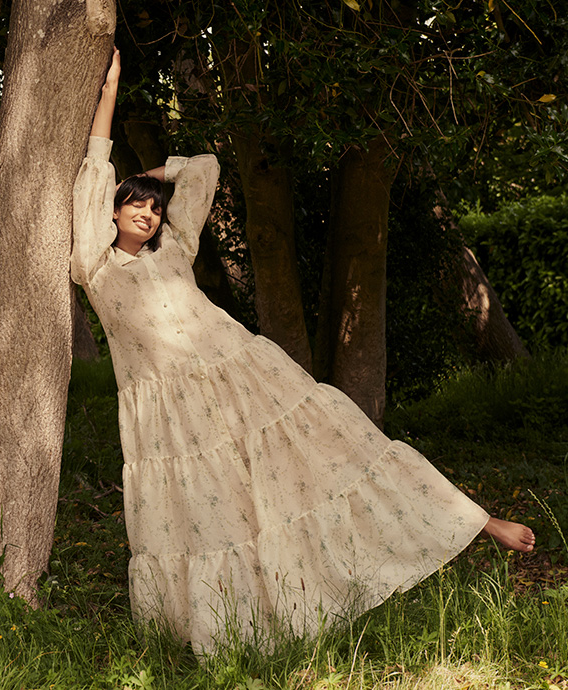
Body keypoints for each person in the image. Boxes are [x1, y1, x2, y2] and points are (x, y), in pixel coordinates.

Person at [71, 49, 535, 653]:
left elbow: (206, 168)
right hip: (172, 412)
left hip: (244, 374)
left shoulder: (175, 251)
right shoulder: (95, 269)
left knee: (339, 447)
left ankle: (475, 522)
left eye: (154, 208)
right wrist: (108, 94)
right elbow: (93, 168)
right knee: (218, 512)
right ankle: (237, 630)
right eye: (135, 204)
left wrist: (157, 174)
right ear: (109, 213)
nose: (149, 214)